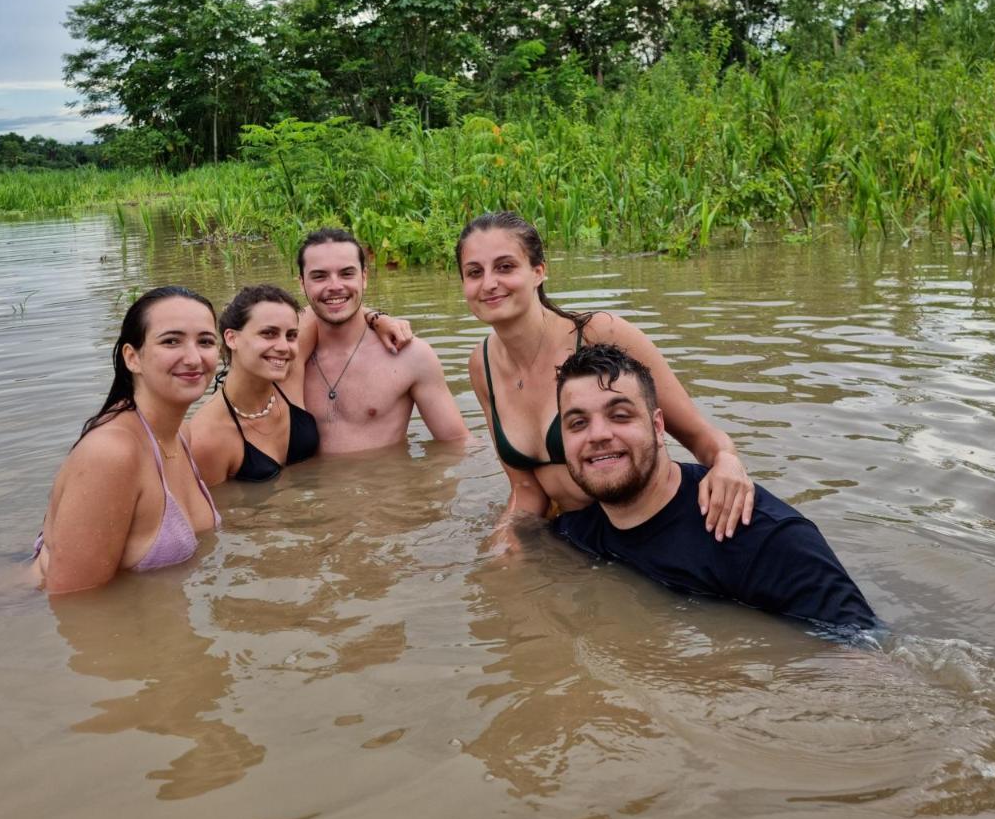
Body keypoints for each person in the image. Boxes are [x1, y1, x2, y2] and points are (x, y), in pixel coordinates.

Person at [457, 211, 754, 542]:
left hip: (650, 525)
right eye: (474, 272)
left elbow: (700, 435)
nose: (489, 284)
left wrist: (727, 462)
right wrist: (503, 542)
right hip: (581, 536)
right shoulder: (482, 364)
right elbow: (526, 489)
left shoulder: (600, 332)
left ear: (538, 271)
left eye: (505, 267)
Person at [552, 343, 877, 629]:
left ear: (658, 426)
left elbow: (864, 658)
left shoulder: (761, 538)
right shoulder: (578, 532)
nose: (597, 435)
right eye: (578, 423)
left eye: (620, 415)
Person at [34, 286, 222, 594]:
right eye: (171, 341)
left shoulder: (180, 435)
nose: (193, 357)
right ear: (132, 357)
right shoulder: (111, 454)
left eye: (205, 341)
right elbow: (74, 605)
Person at [298, 228, 469, 452]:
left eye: (347, 274)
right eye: (319, 276)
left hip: (389, 486)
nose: (335, 286)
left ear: (364, 277)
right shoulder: (284, 357)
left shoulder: (411, 356)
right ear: (302, 283)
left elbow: (458, 445)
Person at [189, 285, 320, 486]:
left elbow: (330, 305)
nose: (284, 347)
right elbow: (216, 514)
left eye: (291, 335)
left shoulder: (288, 376)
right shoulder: (207, 438)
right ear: (232, 338)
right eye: (268, 333)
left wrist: (377, 318)